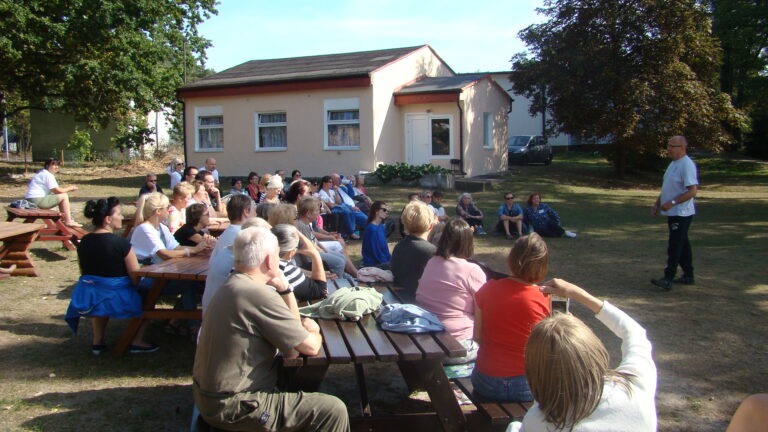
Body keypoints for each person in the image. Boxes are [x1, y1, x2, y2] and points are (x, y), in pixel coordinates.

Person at [193, 227, 349, 432]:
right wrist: (314, 331)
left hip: (211, 398)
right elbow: (310, 347)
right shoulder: (258, 294)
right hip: (235, 405)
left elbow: (292, 351)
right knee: (333, 410)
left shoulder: (232, 284)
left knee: (300, 373)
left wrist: (285, 289)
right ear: (269, 260)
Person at [517, 279, 657, 431]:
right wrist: (578, 294)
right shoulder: (634, 387)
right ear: (596, 351)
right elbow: (634, 332)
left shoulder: (539, 420)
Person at [64, 197, 157, 354]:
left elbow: (83, 270)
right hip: (118, 296)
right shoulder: (122, 243)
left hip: (88, 295)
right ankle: (137, 340)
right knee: (150, 291)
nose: (121, 217)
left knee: (101, 294)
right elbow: (135, 275)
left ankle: (97, 342)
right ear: (108, 219)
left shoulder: (84, 241)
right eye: (118, 214)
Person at [471, 233, 551, 402]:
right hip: (527, 382)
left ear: (511, 259)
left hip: (486, 379)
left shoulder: (487, 289)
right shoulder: (545, 299)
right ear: (543, 265)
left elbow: (477, 337)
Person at [416, 217, 486, 364]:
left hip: (426, 338)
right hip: (457, 345)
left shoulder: (432, 262)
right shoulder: (472, 270)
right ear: (467, 242)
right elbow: (484, 311)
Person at [650, 135, 699, 291]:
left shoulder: (686, 165)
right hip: (673, 212)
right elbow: (668, 187)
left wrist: (672, 203)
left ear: (682, 148)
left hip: (681, 213)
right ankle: (688, 275)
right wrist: (657, 203)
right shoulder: (673, 163)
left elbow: (692, 191)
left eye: (672, 146)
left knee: (675, 245)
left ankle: (668, 278)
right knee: (683, 244)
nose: (668, 149)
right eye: (668, 145)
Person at [202, 194, 256, 313]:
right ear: (245, 212)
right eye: (253, 209)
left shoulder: (230, 231)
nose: (256, 213)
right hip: (223, 306)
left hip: (214, 301)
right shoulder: (243, 235)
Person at [296, 196, 358, 279]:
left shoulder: (306, 223)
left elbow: (314, 239)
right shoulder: (301, 226)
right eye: (317, 210)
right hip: (310, 256)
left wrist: (323, 248)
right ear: (308, 214)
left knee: (342, 257)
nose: (319, 213)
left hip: (316, 250)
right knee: (339, 262)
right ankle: (337, 280)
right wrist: (321, 250)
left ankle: (340, 274)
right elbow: (307, 246)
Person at [390, 200, 437, 302]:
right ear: (430, 226)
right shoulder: (432, 252)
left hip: (398, 298)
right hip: (420, 303)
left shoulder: (399, 246)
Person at [272, 224, 328, 302]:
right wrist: (315, 254)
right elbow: (322, 291)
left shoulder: (262, 261)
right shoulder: (285, 270)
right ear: (291, 252)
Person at [24, 157, 81, 227]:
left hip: (31, 200)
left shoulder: (42, 173)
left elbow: (54, 191)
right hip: (36, 201)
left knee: (57, 195)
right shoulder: (48, 175)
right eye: (54, 165)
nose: (56, 167)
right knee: (64, 196)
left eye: (57, 165)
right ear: (47, 166)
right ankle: (68, 221)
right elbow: (58, 191)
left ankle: (64, 218)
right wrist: (70, 188)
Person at [361, 201, 391, 268]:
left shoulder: (381, 227)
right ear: (376, 211)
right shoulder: (371, 229)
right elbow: (375, 252)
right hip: (374, 264)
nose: (386, 212)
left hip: (384, 261)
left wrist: (391, 260)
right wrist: (388, 263)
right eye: (384, 210)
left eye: (387, 210)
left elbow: (385, 249)